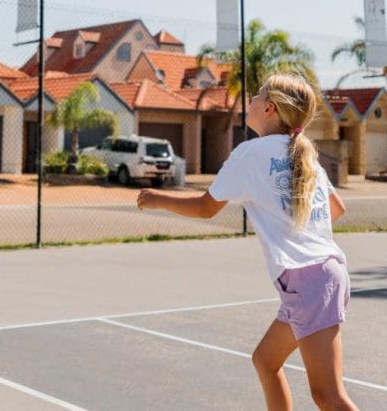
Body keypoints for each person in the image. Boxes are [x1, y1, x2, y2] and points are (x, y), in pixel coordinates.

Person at [137, 73, 357, 411]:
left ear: (268, 108)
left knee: (328, 395)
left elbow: (205, 208)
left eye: (256, 96)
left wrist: (158, 199)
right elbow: (336, 210)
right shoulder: (304, 154)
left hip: (308, 280)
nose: (250, 101)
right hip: (316, 276)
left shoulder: (250, 154)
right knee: (265, 360)